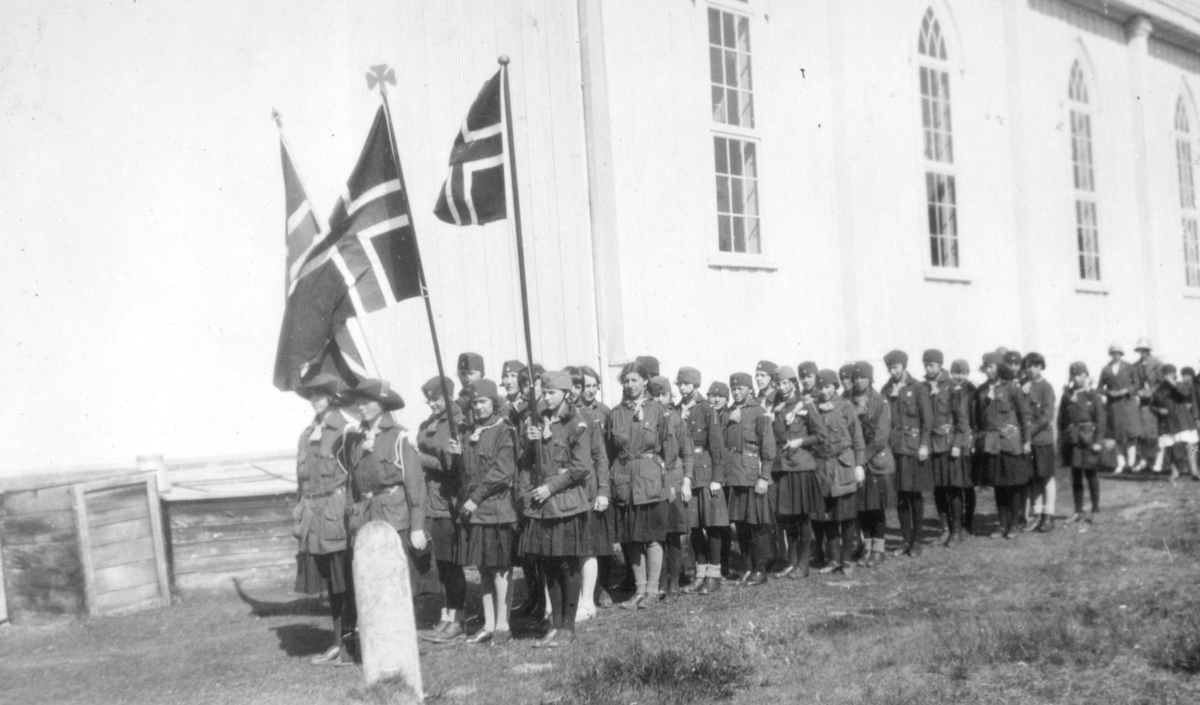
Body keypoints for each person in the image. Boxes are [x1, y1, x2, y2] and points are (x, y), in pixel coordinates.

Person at [519, 371, 592, 648]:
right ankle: (556, 625)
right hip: (542, 507)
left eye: (552, 393)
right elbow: (527, 462)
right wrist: (531, 441)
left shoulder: (577, 423)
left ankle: (568, 627)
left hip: (565, 504)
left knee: (567, 565)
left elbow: (581, 466)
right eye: (544, 392)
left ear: (565, 393)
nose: (546, 397)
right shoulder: (538, 421)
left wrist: (550, 488)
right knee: (549, 565)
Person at [292, 374, 356, 666]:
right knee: (331, 585)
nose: (315, 401)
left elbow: (355, 477)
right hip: (313, 520)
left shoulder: (346, 431)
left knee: (345, 582)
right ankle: (337, 641)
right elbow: (300, 483)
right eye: (312, 396)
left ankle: (350, 643)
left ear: (332, 397)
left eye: (320, 395)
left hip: (336, 516)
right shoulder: (306, 435)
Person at [450, 379, 518, 645]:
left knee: (500, 569)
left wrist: (476, 498)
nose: (478, 407)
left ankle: (503, 625)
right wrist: (457, 455)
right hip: (474, 511)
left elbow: (502, 472)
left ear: (494, 403)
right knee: (483, 569)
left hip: (496, 509)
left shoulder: (504, 430)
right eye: (475, 402)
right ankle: (489, 624)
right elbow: (466, 473)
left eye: (483, 402)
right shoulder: (470, 433)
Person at [343, 378, 429, 592]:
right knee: (371, 577)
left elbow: (415, 485)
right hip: (366, 518)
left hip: (394, 517)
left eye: (365, 401)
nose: (359, 407)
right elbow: (352, 486)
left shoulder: (399, 437)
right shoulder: (355, 440)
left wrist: (417, 527)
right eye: (358, 402)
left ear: (381, 405)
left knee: (396, 576)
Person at [606, 362, 677, 608]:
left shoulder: (658, 410)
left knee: (653, 538)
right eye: (626, 381)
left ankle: (653, 591)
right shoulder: (615, 413)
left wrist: (663, 479)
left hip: (651, 481)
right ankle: (639, 590)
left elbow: (670, 449)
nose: (630, 385)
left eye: (635, 380)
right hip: (625, 481)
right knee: (632, 538)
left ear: (645, 381)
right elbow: (609, 451)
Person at [415, 376, 468, 644]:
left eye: (436, 398)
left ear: (448, 395)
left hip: (450, 501)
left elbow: (450, 465)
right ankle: (445, 618)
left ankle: (457, 620)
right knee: (443, 566)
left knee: (452, 564)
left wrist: (418, 458)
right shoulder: (429, 424)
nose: (432, 403)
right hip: (432, 502)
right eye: (430, 399)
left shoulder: (458, 423)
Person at [768, 365, 827, 579]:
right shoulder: (777, 407)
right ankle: (792, 563)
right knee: (787, 517)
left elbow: (821, 435)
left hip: (801, 467)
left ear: (794, 383)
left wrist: (800, 441)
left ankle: (803, 564)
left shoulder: (806, 405)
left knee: (802, 518)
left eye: (786, 383)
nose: (782, 387)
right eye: (779, 384)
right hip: (783, 468)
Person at [674, 367, 729, 595]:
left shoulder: (706, 408)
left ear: (695, 384)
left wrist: (717, 478)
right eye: (679, 383)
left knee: (712, 526)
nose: (682, 387)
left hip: (706, 474)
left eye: (686, 383)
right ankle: (700, 574)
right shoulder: (677, 410)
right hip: (687, 474)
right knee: (694, 527)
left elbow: (716, 445)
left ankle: (714, 575)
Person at [721, 372, 778, 585]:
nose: (736, 392)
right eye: (733, 388)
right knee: (741, 524)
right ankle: (747, 567)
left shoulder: (758, 412)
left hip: (752, 476)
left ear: (749, 388)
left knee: (758, 525)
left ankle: (761, 569)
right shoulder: (726, 413)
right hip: (732, 476)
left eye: (740, 388)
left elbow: (768, 446)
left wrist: (764, 477)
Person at [566, 366, 613, 619]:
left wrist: (603, 490)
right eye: (572, 387)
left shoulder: (590, 417)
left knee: (587, 548)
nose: (576, 392)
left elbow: (601, 457)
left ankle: (587, 603)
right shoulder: (550, 419)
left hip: (586, 489)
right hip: (562, 493)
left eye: (578, 387)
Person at [812, 370, 865, 575]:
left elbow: (857, 437)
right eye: (821, 387)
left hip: (844, 466)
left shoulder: (845, 406)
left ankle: (847, 559)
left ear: (835, 386)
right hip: (823, 469)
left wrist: (859, 465)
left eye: (828, 386)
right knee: (829, 517)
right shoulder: (813, 408)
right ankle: (833, 559)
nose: (824, 391)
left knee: (848, 517)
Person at [973, 354, 1031, 539]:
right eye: (986, 367)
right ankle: (1002, 524)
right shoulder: (981, 390)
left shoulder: (1012, 386)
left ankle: (1014, 524)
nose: (988, 370)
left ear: (999, 368)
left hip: (1010, 443)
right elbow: (977, 419)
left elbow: (1024, 415)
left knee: (1013, 485)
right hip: (991, 444)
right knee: (999, 485)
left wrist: (1027, 440)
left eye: (992, 366)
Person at [880, 350, 932, 556]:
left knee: (915, 495)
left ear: (904, 366)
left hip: (913, 449)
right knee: (901, 495)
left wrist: (924, 445)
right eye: (890, 368)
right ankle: (905, 539)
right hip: (895, 450)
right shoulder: (886, 390)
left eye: (895, 367)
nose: (893, 371)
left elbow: (927, 420)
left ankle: (917, 541)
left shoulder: (918, 388)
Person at [650, 375, 694, 601]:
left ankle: (675, 581)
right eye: (655, 394)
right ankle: (662, 582)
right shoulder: (645, 419)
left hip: (674, 480)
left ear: (670, 395)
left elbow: (687, 452)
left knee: (674, 533)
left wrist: (687, 481)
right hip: (653, 481)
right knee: (658, 533)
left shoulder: (677, 419)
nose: (659, 398)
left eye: (664, 394)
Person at [922, 350, 970, 546]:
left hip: (950, 445)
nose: (928, 369)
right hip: (933, 446)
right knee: (938, 489)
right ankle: (945, 530)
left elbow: (962, 420)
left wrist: (957, 444)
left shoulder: (952, 386)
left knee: (954, 488)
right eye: (926, 365)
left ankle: (957, 532)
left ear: (940, 365)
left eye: (932, 365)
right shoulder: (922, 387)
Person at [849, 362, 895, 565]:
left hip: (875, 461)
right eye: (856, 377)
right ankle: (867, 547)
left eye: (863, 377)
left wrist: (862, 458)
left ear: (870, 379)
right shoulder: (847, 400)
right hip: (856, 462)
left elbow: (881, 436)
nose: (859, 381)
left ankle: (879, 549)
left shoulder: (879, 401)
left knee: (876, 507)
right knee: (861, 506)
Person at [1058, 362, 1106, 524]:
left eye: (1082, 374)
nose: (1079, 378)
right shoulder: (1067, 396)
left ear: (1087, 376)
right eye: (1075, 375)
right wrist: (1062, 440)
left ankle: (1096, 509)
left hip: (1089, 439)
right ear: (1071, 377)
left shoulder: (1093, 395)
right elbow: (1061, 420)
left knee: (1091, 474)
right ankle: (1078, 511)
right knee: (1076, 475)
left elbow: (1101, 420)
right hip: (1073, 440)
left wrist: (1098, 441)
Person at [1023, 354, 1058, 532]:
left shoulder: (1046, 387)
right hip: (1029, 442)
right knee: (1033, 478)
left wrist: (1027, 433)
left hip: (1042, 439)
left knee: (1046, 476)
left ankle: (1049, 515)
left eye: (1035, 366)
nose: (1031, 369)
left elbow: (1046, 417)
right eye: (1028, 366)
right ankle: (1036, 514)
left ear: (1041, 367)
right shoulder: (1023, 386)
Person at [1097, 342, 1142, 474]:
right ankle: (1121, 464)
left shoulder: (1129, 367)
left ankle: (1131, 464)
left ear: (1121, 354)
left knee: (1130, 435)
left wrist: (1126, 391)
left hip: (1128, 404)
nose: (1115, 355)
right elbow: (1099, 388)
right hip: (1114, 406)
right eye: (1113, 353)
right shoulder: (1106, 369)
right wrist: (1109, 393)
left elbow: (1137, 384)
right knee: (1117, 436)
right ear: (1110, 354)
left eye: (1118, 353)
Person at [1151, 365, 1200, 482]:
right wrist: (1158, 410)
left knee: (1191, 445)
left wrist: (1173, 383)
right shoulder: (1158, 389)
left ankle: (1194, 470)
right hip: (1167, 422)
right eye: (1165, 374)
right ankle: (1175, 471)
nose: (1167, 377)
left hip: (1183, 420)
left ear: (1174, 374)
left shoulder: (1181, 385)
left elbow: (1185, 393)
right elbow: (1151, 405)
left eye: (1170, 374)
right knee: (1169, 448)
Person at [949, 359, 978, 536]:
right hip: (952, 442)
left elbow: (975, 420)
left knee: (968, 485)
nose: (959, 376)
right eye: (956, 373)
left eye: (963, 373)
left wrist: (973, 442)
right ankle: (956, 523)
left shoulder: (972, 392)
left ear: (967, 374)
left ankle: (969, 521)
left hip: (967, 443)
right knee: (954, 485)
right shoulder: (948, 390)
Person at [1133, 338, 1164, 473]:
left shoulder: (1158, 364)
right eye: (1140, 350)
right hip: (1143, 403)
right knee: (1143, 434)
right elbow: (1135, 383)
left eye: (1145, 350)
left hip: (1156, 402)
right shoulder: (1136, 365)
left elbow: (1162, 383)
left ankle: (1157, 461)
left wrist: (1151, 391)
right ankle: (1144, 460)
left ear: (1148, 350)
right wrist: (1139, 391)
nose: (1142, 353)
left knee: (1156, 434)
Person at [455, 353, 486, 423]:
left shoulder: (494, 402)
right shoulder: (454, 407)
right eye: (462, 374)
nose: (466, 379)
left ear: (482, 374)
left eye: (471, 373)